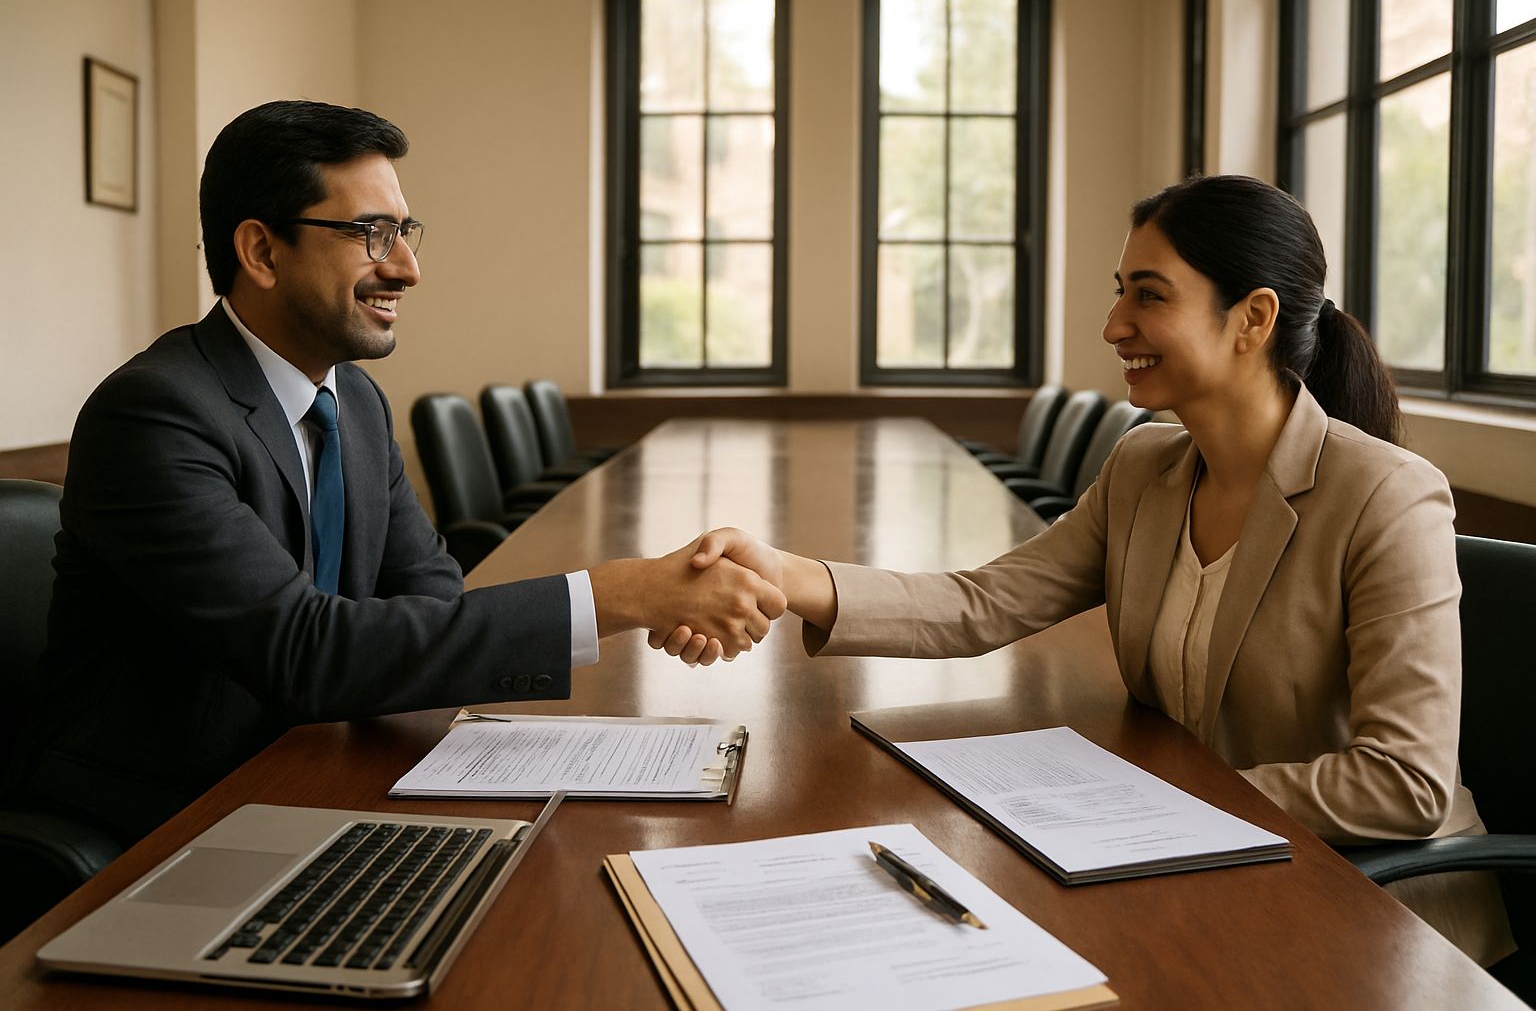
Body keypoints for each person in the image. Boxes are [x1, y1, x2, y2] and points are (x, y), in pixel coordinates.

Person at [660, 175, 1515, 966]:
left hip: (1376, 910)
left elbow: (1403, 782)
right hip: (1202, 869)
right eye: (1119, 293)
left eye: (1149, 296)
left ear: (1252, 318)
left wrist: (1139, 802)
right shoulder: (1147, 466)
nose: (1114, 327)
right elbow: (983, 603)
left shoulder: (1388, 496)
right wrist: (781, 572)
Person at [12, 100, 785, 847]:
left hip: (315, 778)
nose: (407, 268)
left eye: (404, 231)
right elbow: (305, 655)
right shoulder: (154, 413)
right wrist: (619, 595)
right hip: (166, 821)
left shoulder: (354, 402)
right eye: (372, 233)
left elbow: (430, 597)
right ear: (261, 251)